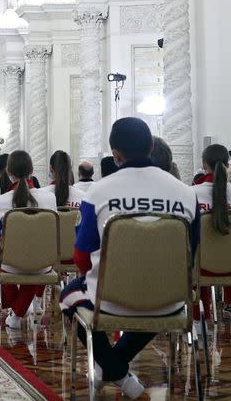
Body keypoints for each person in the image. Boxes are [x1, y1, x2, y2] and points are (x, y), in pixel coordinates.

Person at [59, 118, 199, 399]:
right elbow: (190, 256)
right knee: (153, 308)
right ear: (151, 146)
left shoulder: (99, 192)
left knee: (68, 297)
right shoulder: (186, 194)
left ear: (116, 154)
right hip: (171, 301)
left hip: (112, 301)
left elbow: (81, 259)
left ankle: (120, 376)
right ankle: (114, 369)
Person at [0, 150, 57, 329]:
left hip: (9, 263)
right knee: (34, 269)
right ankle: (18, 312)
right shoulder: (50, 199)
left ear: (8, 172)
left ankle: (18, 312)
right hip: (43, 263)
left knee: (3, 260)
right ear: (32, 170)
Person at [192, 144, 231, 322]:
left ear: (203, 164)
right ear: (227, 164)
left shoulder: (191, 193)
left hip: (200, 267)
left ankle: (199, 319)